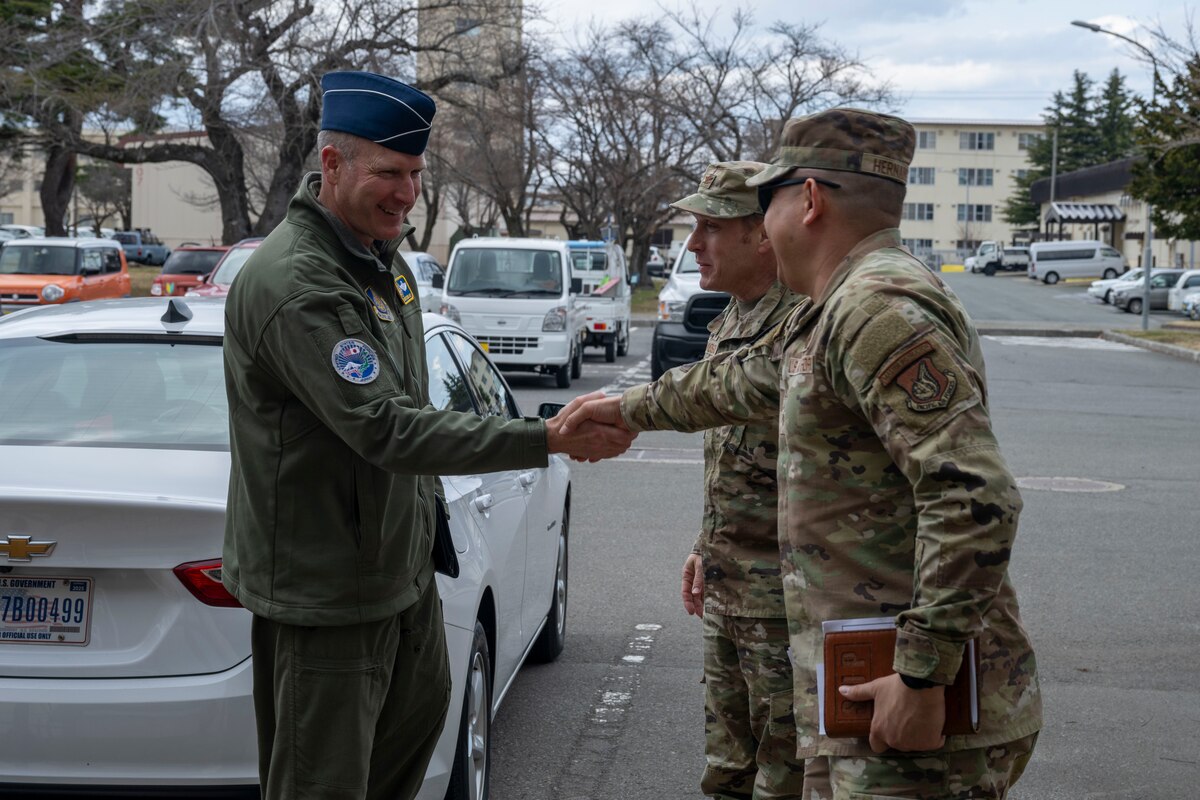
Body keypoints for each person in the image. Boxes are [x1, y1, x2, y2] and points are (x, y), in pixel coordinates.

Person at [559, 108, 1042, 799]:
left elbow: (975, 497)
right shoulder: (838, 307)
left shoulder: (876, 307)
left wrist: (921, 673)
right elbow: (741, 381)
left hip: (902, 704)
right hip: (860, 687)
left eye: (768, 200)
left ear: (808, 200)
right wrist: (623, 408)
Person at [222, 70, 634, 800]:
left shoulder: (384, 267)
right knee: (321, 784)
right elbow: (386, 427)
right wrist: (544, 439)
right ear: (331, 164)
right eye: (389, 172)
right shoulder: (301, 284)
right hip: (328, 595)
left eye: (415, 173)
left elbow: (411, 401)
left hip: (396, 576)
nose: (407, 193)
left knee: (412, 743)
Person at [667, 161, 810, 799]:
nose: (693, 244)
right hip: (731, 590)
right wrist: (706, 544)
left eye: (709, 227)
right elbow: (732, 452)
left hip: (785, 605)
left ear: (761, 234)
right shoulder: (733, 317)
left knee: (786, 776)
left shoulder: (804, 320)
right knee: (727, 772)